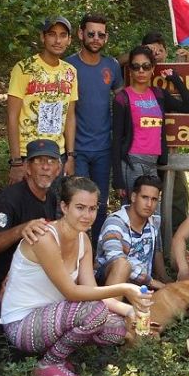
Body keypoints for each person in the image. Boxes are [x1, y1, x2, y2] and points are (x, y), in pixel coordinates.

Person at [0, 177, 143, 376]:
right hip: (21, 324)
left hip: (54, 317)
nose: (87, 215)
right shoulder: (45, 238)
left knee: (118, 330)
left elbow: (92, 290)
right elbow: (71, 292)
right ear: (64, 207)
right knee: (95, 312)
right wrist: (124, 288)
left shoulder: (83, 239)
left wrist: (130, 310)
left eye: (93, 208)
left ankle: (56, 352)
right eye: (80, 207)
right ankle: (48, 364)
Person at [111, 45, 189, 203]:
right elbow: (116, 139)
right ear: (130, 70)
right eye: (136, 67)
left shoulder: (158, 95)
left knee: (152, 214)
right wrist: (117, 180)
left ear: (153, 68)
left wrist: (175, 79)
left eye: (146, 66)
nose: (141, 71)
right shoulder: (122, 98)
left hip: (153, 164)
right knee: (133, 211)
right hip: (131, 163)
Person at [65, 13, 123, 240]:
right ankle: (77, 252)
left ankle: (97, 256)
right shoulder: (69, 66)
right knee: (78, 203)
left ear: (106, 38)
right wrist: (68, 154)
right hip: (77, 149)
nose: (96, 38)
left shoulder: (112, 66)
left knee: (99, 202)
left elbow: (121, 103)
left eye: (101, 35)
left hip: (104, 148)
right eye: (91, 34)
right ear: (81, 34)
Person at [0, 139, 60, 294]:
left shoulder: (51, 197)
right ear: (27, 168)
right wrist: (21, 229)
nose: (45, 167)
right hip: (1, 289)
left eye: (51, 161)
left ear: (58, 169)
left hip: (32, 283)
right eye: (38, 161)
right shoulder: (9, 198)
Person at [6, 16, 78, 184]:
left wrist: (70, 156)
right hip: (28, 153)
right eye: (52, 34)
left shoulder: (70, 72)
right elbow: (11, 116)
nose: (57, 40)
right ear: (42, 37)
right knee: (26, 206)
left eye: (63, 35)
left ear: (69, 40)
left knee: (54, 206)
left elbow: (70, 116)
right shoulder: (24, 68)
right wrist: (16, 161)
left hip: (56, 153)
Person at [142, 30, 189, 232]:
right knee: (147, 194)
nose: (156, 54)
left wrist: (184, 69)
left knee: (178, 193)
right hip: (143, 148)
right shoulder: (135, 70)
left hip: (170, 144)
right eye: (151, 50)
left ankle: (174, 239)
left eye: (160, 50)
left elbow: (188, 104)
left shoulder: (168, 76)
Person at [96, 175, 170, 288]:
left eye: (154, 199)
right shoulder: (115, 223)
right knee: (121, 265)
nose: (149, 204)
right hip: (109, 284)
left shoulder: (153, 222)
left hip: (141, 286)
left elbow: (157, 253)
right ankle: (108, 306)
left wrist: (166, 281)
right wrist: (154, 283)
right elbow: (116, 260)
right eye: (144, 197)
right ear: (134, 197)